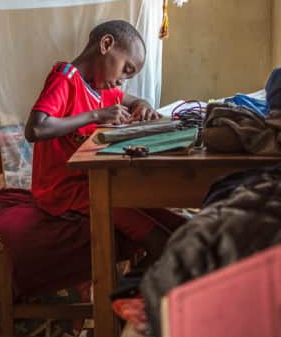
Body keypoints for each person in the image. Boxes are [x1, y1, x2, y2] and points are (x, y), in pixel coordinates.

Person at [23, 19, 183, 266]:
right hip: (62, 190)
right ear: (106, 44)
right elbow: (35, 128)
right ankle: (133, 295)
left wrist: (143, 106)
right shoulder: (65, 78)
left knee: (177, 225)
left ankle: (141, 285)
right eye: (126, 69)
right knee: (157, 237)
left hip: (92, 182)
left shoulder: (101, 89)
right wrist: (97, 115)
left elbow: (133, 100)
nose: (122, 81)